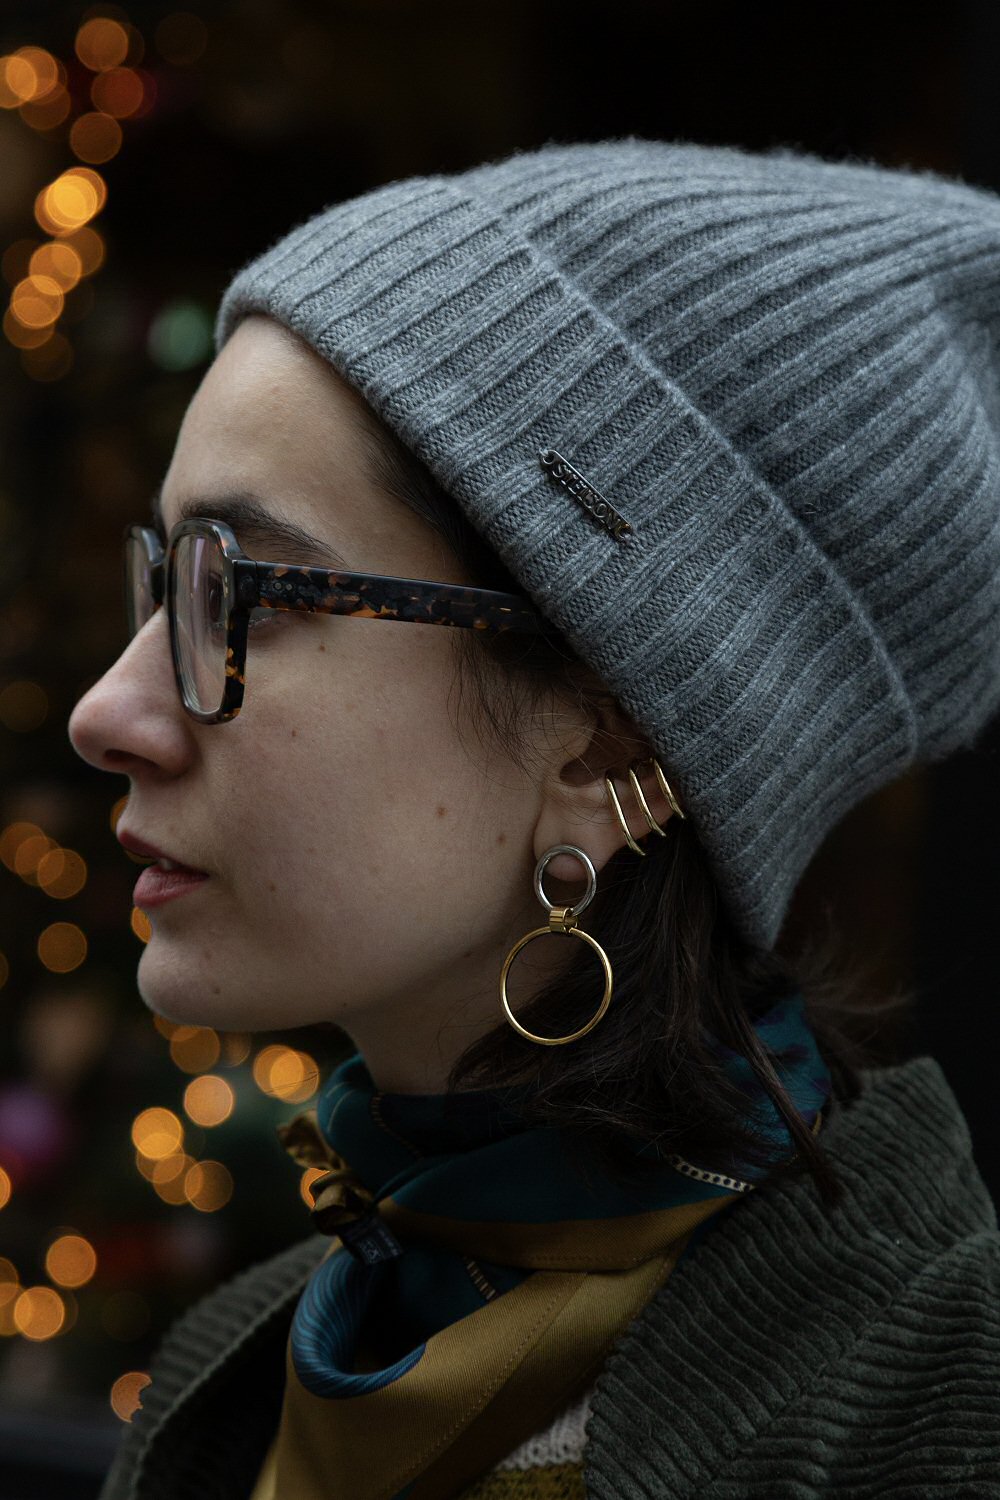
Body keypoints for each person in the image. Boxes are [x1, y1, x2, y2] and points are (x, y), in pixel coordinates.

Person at [68, 137, 1000, 1500]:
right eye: (163, 583)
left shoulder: (937, 1420)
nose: (109, 711)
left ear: (606, 737)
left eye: (242, 595)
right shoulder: (241, 1367)